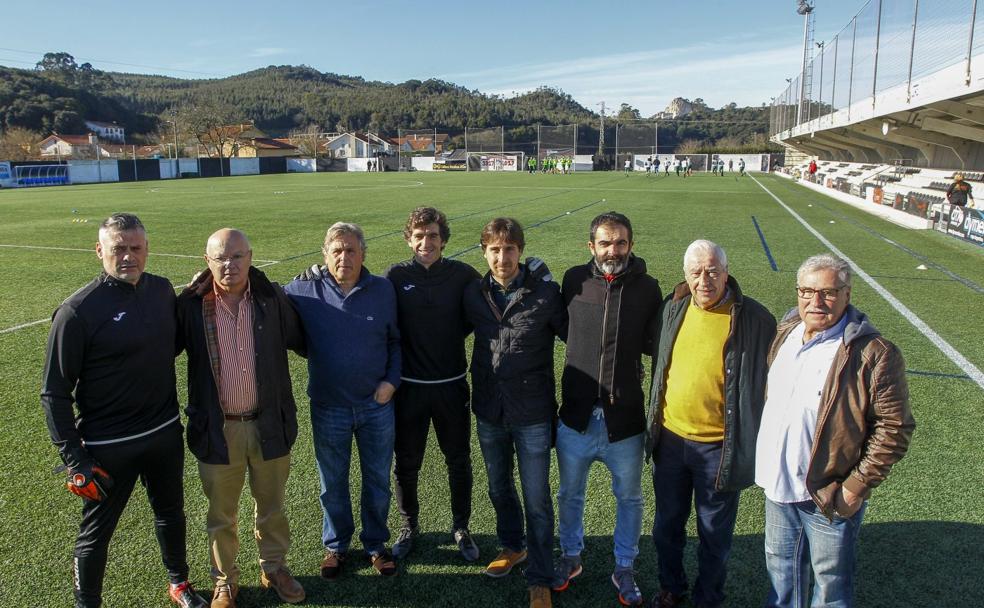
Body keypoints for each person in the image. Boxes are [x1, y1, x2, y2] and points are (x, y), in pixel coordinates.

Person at [41, 213, 207, 608]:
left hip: (164, 432)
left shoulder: (162, 290)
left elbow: (167, 346)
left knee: (171, 513)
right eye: (118, 248)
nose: (128, 256)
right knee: (96, 533)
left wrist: (190, 300)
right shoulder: (76, 312)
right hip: (107, 445)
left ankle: (179, 582)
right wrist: (75, 459)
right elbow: (54, 393)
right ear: (100, 251)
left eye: (135, 248)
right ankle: (87, 603)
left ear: (147, 249)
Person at [756, 254, 915, 608]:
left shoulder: (874, 352)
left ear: (847, 293)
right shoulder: (787, 332)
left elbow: (895, 427)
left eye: (828, 292)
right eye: (807, 291)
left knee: (830, 590)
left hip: (828, 491)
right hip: (778, 485)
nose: (816, 302)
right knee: (781, 577)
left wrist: (856, 486)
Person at [177, 229, 306, 608]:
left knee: (272, 506)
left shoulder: (271, 299)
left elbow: (306, 339)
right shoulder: (190, 306)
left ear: (251, 257)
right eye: (220, 258)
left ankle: (274, 568)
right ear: (207, 262)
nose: (229, 265)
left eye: (237, 256)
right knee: (221, 514)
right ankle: (225, 582)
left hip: (269, 423)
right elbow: (155, 347)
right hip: (218, 430)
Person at [646, 240, 776, 608]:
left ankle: (708, 598)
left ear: (726, 271)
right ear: (686, 275)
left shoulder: (753, 317)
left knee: (714, 534)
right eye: (696, 272)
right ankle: (672, 588)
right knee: (666, 527)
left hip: (720, 446)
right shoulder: (673, 308)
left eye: (713, 271)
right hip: (669, 441)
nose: (705, 280)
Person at [553, 212, 663, 607]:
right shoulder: (572, 281)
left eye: (620, 243)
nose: (612, 250)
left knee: (629, 498)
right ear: (591, 247)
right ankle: (570, 556)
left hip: (625, 420)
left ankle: (625, 566)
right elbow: (562, 328)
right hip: (577, 417)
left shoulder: (648, 288)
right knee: (569, 495)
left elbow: (656, 342)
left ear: (631, 245)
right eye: (605, 243)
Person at [283, 222, 402, 579]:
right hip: (328, 406)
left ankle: (376, 544)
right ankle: (335, 547)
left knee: (377, 479)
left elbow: (395, 341)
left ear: (363, 253)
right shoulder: (302, 289)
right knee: (332, 481)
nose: (344, 257)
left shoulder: (383, 289)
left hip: (376, 405)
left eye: (351, 250)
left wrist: (391, 382)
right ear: (325, 255)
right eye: (336, 250)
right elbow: (263, 294)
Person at [464, 218, 567, 608]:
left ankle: (540, 575)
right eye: (494, 249)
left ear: (520, 251)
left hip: (533, 413)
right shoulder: (473, 293)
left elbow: (578, 336)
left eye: (509, 249)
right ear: (484, 252)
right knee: (498, 487)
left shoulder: (544, 293)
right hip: (490, 409)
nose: (502, 256)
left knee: (537, 498)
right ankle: (512, 546)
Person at [384, 208, 482, 562]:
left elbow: (482, 311)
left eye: (434, 236)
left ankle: (461, 526)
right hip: (408, 388)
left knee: (457, 459)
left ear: (444, 239)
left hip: (451, 386)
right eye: (420, 236)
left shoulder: (463, 275)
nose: (427, 242)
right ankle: (409, 525)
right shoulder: (394, 276)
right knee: (407, 462)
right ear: (409, 239)